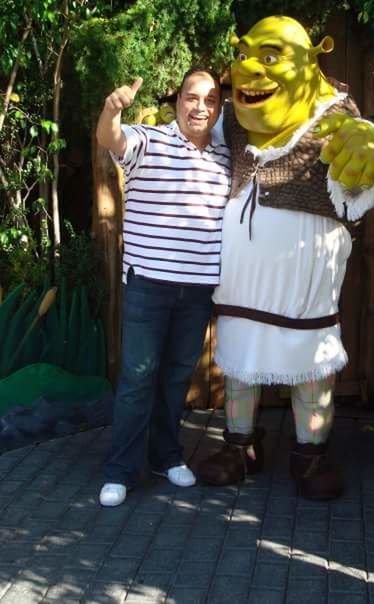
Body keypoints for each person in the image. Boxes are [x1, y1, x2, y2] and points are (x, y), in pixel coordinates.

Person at [197, 16, 374, 499]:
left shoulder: (335, 122)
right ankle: (239, 446)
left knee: (310, 372)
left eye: (269, 58)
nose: (250, 70)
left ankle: (311, 454)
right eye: (244, 56)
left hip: (303, 301)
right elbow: (194, 136)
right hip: (240, 295)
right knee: (241, 368)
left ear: (312, 61)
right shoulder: (236, 125)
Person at [96, 67, 231, 507]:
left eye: (210, 100)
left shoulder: (226, 156)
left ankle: (166, 456)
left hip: (197, 291)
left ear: (218, 108)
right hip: (149, 284)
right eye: (193, 97)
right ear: (178, 100)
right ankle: (121, 470)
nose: (200, 107)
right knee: (138, 378)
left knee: (176, 379)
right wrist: (111, 111)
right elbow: (112, 140)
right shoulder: (150, 140)